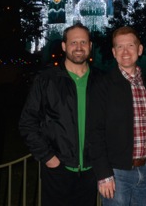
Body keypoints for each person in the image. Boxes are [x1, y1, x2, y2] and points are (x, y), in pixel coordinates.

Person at [89, 26, 146, 205]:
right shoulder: (103, 86)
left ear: (140, 49)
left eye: (130, 45)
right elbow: (94, 132)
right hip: (116, 174)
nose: (125, 51)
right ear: (113, 52)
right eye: (120, 47)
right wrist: (104, 174)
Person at [19, 22, 101, 206]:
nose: (78, 48)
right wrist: (48, 158)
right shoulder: (46, 80)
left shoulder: (101, 81)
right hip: (58, 170)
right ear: (64, 46)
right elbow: (27, 122)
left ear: (90, 46)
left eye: (83, 42)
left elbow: (116, 119)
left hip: (91, 170)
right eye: (73, 43)